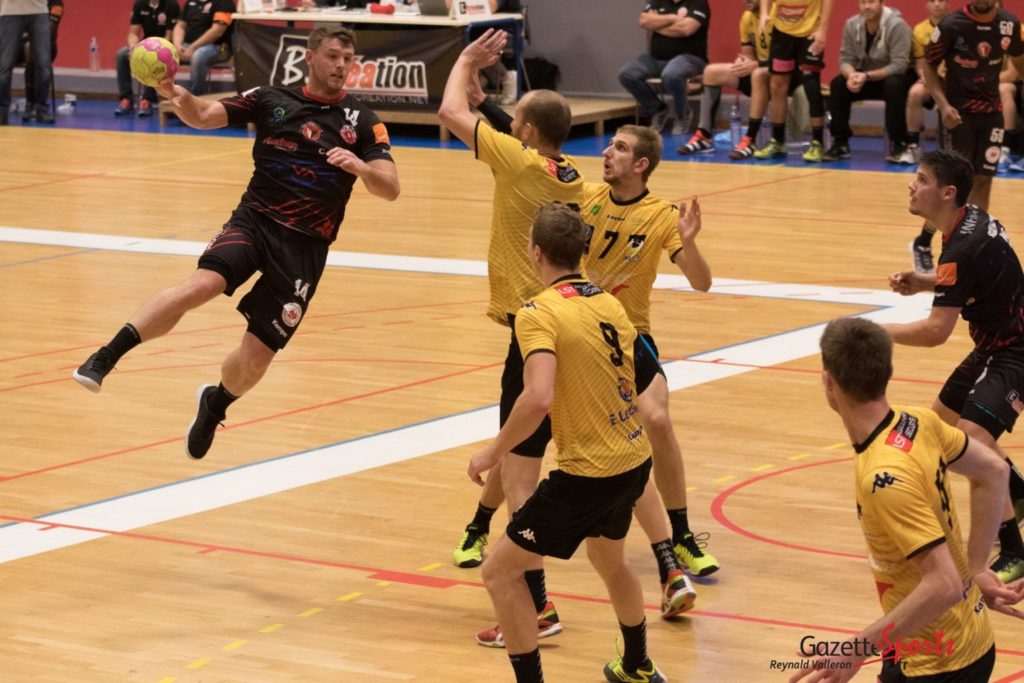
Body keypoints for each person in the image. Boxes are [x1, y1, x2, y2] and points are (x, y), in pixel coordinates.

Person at [72, 26, 400, 461]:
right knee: (200, 286)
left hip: (305, 248)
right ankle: (106, 356)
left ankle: (215, 404)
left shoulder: (363, 122)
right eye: (333, 56)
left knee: (254, 362)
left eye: (347, 59)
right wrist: (175, 94)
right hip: (255, 221)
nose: (341, 66)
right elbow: (204, 115)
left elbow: (391, 188)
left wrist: (361, 167)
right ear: (310, 58)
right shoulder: (271, 98)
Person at [469, 202, 667, 683]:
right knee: (609, 558)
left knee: (499, 571)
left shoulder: (538, 313)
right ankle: (637, 664)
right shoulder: (609, 303)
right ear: (581, 252)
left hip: (587, 474)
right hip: (634, 460)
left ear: (536, 253)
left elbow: (537, 397)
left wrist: (494, 451)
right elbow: (641, 377)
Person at [438, 29, 587, 646]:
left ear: (524, 132)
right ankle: (486, 534)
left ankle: (538, 605)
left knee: (523, 477)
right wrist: (495, 106)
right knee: (528, 459)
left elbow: (449, 111)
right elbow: (513, 127)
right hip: (570, 320)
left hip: (533, 331)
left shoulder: (518, 162)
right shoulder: (568, 171)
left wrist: (465, 62)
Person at [791, 316, 1024, 683]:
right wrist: (977, 568)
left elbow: (944, 584)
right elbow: (994, 471)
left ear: (828, 381)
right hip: (949, 641)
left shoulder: (883, 478)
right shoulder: (917, 422)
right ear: (889, 372)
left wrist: (855, 649)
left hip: (938, 663)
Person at [885, 150, 1024, 584]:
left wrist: (876, 332)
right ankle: (1018, 493)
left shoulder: (963, 244)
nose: (912, 185)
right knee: (938, 430)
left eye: (921, 179)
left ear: (947, 193)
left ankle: (1014, 551)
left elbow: (935, 331)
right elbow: (971, 277)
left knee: (971, 442)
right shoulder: (966, 221)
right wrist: (925, 282)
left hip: (1017, 350)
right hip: (993, 344)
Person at [907, 0, 1024, 277]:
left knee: (983, 181)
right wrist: (943, 106)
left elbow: (1020, 64)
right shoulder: (951, 25)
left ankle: (973, 247)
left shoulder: (1009, 24)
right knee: (955, 186)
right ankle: (923, 242)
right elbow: (929, 68)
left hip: (992, 114)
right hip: (957, 115)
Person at [677, 0, 772, 160]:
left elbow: (786, 59)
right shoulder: (747, 18)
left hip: (783, 75)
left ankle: (750, 139)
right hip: (760, 70)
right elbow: (749, 55)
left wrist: (755, 65)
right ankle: (704, 136)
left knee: (758, 74)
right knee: (711, 72)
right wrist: (743, 63)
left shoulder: (776, 15)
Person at [824, 0, 914, 163]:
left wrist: (866, 76)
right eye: (863, 2)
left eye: (871, 2)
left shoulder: (897, 25)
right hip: (866, 75)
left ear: (881, 3)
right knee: (838, 84)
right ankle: (840, 142)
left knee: (893, 85)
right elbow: (846, 59)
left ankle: (900, 144)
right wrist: (851, 75)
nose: (866, 6)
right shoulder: (852, 24)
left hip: (896, 76)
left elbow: (899, 65)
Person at [753, 0, 832, 161]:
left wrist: (823, 30)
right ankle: (778, 141)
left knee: (811, 85)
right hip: (782, 33)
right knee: (778, 85)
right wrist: (764, 13)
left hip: (810, 33)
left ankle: (818, 143)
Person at [618, 0, 711, 135]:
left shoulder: (698, 2)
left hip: (690, 59)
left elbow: (686, 29)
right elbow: (644, 21)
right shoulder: (658, 1)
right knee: (626, 74)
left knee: (672, 74)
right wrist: (672, 18)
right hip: (656, 59)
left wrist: (656, 25)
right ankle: (658, 109)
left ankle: (682, 115)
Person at [897, 0, 949, 168]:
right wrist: (926, 77)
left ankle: (949, 150)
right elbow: (920, 63)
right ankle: (913, 146)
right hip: (931, 78)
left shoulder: (956, 25)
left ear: (948, 4)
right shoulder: (919, 30)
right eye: (932, 1)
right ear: (927, 5)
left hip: (952, 80)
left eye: (941, 1)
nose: (937, 4)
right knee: (915, 93)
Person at [115, 0, 179, 117]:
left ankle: (147, 100)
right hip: (145, 45)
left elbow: (169, 36)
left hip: (165, 46)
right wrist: (133, 47)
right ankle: (126, 99)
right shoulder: (140, 4)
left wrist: (155, 49)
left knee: (150, 59)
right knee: (122, 55)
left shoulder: (171, 5)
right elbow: (133, 33)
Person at [0, 0, 54, 125]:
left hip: (39, 10)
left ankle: (41, 109)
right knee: (5, 65)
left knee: (44, 65)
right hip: (10, 11)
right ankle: (2, 111)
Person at [172, 0, 235, 96]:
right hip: (187, 45)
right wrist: (177, 45)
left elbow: (217, 31)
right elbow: (180, 26)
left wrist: (193, 48)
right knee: (165, 53)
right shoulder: (190, 2)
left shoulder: (224, 3)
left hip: (218, 47)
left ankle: (195, 96)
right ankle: (168, 94)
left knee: (198, 55)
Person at [16, 0, 61, 118]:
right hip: (16, 45)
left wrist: (27, 35)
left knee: (31, 48)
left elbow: (50, 29)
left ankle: (33, 104)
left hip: (45, 46)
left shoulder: (55, 3)